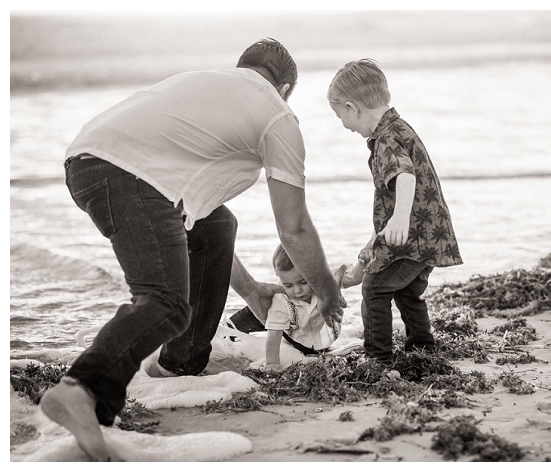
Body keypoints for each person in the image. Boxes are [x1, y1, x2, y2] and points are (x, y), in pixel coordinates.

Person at [39, 38, 345, 461]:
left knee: (219, 226)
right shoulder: (277, 115)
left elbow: (198, 216)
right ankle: (81, 389)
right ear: (287, 87)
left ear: (243, 68)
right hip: (125, 173)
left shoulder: (204, 85)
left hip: (89, 160)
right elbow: (293, 228)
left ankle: (178, 366)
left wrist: (253, 290)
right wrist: (328, 291)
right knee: (165, 300)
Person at [328, 59, 463, 364]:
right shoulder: (398, 128)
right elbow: (390, 203)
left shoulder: (386, 138)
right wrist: (370, 248)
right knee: (407, 292)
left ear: (352, 108)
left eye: (340, 116)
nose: (344, 126)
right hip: (427, 233)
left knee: (375, 289)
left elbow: (404, 174)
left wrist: (401, 218)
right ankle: (422, 349)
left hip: (412, 236)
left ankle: (379, 359)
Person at [263, 244, 342, 371]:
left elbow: (353, 277)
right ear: (278, 276)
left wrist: (363, 262)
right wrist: (272, 363)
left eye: (304, 282)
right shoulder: (281, 299)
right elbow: (274, 334)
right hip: (298, 341)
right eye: (288, 285)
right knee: (268, 316)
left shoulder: (325, 283)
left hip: (328, 337)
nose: (297, 290)